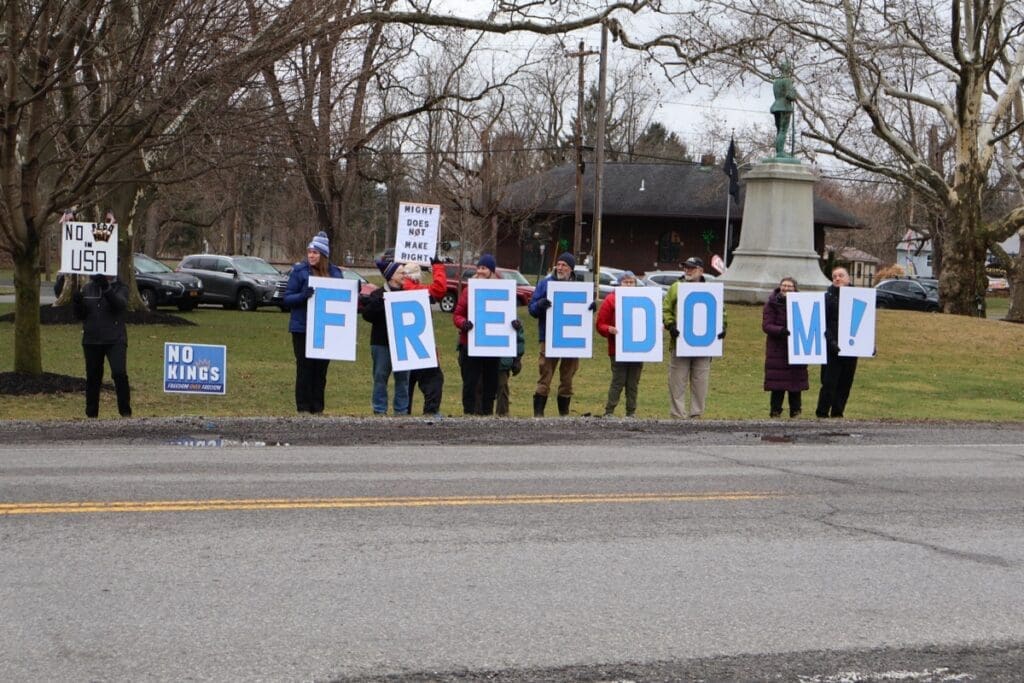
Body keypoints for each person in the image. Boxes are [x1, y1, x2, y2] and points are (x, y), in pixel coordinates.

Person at [283, 231, 343, 414]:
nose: (311, 255)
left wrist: (353, 290)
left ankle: (318, 407)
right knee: (304, 368)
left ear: (323, 255)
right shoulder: (299, 272)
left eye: (315, 252)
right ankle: (303, 407)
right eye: (309, 252)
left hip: (325, 328)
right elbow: (287, 299)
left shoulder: (335, 273)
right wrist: (303, 296)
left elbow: (342, 295)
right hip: (302, 328)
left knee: (320, 370)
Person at [453, 254, 517, 415]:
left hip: (492, 345)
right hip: (470, 343)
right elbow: (457, 314)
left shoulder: (501, 290)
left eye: (484, 268)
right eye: (479, 267)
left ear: (492, 271)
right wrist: (463, 323)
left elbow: (508, 316)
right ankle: (469, 413)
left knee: (490, 382)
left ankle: (487, 413)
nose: (480, 271)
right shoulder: (469, 290)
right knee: (470, 382)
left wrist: (515, 324)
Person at [663, 256, 725, 418]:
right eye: (686, 268)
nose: (688, 270)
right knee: (677, 382)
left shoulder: (711, 290)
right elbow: (666, 309)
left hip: (704, 345)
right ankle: (678, 415)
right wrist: (670, 325)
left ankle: (696, 415)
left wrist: (722, 328)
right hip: (680, 343)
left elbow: (721, 312)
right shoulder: (676, 287)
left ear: (701, 271)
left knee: (700, 382)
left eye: (691, 268)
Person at [528, 251, 585, 417]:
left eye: (564, 265)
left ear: (571, 269)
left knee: (567, 378)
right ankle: (538, 413)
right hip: (549, 336)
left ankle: (564, 414)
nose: (560, 268)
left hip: (571, 338)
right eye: (558, 264)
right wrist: (540, 304)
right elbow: (532, 309)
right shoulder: (545, 284)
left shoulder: (579, 287)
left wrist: (589, 308)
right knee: (545, 375)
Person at [72, 272, 132, 418]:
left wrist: (106, 288)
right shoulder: (87, 288)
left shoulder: (121, 287)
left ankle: (125, 412)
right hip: (92, 339)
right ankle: (91, 414)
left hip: (115, 339)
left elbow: (119, 305)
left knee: (119, 373)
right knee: (93, 376)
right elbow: (81, 315)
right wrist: (77, 303)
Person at [361, 259, 411, 416]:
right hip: (381, 343)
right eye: (400, 272)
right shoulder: (377, 294)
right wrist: (380, 303)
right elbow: (367, 315)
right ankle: (379, 409)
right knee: (380, 377)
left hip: (403, 343)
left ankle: (401, 410)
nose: (404, 274)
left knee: (403, 379)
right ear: (390, 276)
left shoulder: (408, 294)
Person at [401, 259, 447, 416]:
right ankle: (431, 411)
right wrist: (438, 267)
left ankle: (402, 413)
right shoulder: (418, 291)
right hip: (421, 346)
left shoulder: (398, 289)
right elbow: (440, 289)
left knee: (405, 384)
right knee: (434, 380)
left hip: (402, 346)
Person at [596, 270, 644, 417]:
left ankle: (631, 412)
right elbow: (600, 324)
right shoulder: (610, 300)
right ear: (619, 283)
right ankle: (609, 411)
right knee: (618, 381)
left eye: (631, 282)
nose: (629, 285)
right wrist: (608, 329)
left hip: (637, 349)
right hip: (617, 349)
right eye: (626, 282)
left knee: (633, 383)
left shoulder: (642, 299)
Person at [762, 277, 808, 418]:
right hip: (778, 350)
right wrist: (781, 330)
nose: (786, 288)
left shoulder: (803, 304)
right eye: (784, 285)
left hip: (797, 349)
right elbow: (766, 325)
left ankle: (796, 412)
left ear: (795, 288)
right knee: (778, 386)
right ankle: (775, 412)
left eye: (789, 286)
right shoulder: (771, 304)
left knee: (796, 385)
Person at [816, 266, 858, 418]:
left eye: (841, 275)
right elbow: (822, 323)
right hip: (832, 349)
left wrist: (868, 345)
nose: (837, 278)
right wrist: (831, 342)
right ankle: (822, 413)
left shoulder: (859, 297)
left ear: (848, 279)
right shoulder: (827, 298)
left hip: (851, 348)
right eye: (834, 276)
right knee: (829, 383)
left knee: (845, 384)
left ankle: (837, 413)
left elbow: (865, 324)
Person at [496, 321, 525, 417]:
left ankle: (502, 414)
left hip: (503, 358)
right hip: (483, 358)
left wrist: (517, 359)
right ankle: (479, 415)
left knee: (502, 386)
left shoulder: (509, 312)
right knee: (480, 388)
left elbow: (519, 339)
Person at [771, 61, 797, 158]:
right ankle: (780, 152)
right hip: (784, 107)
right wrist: (794, 93)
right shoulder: (787, 80)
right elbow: (790, 95)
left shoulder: (776, 82)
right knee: (783, 130)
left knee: (779, 130)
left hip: (776, 106)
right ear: (788, 69)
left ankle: (779, 151)